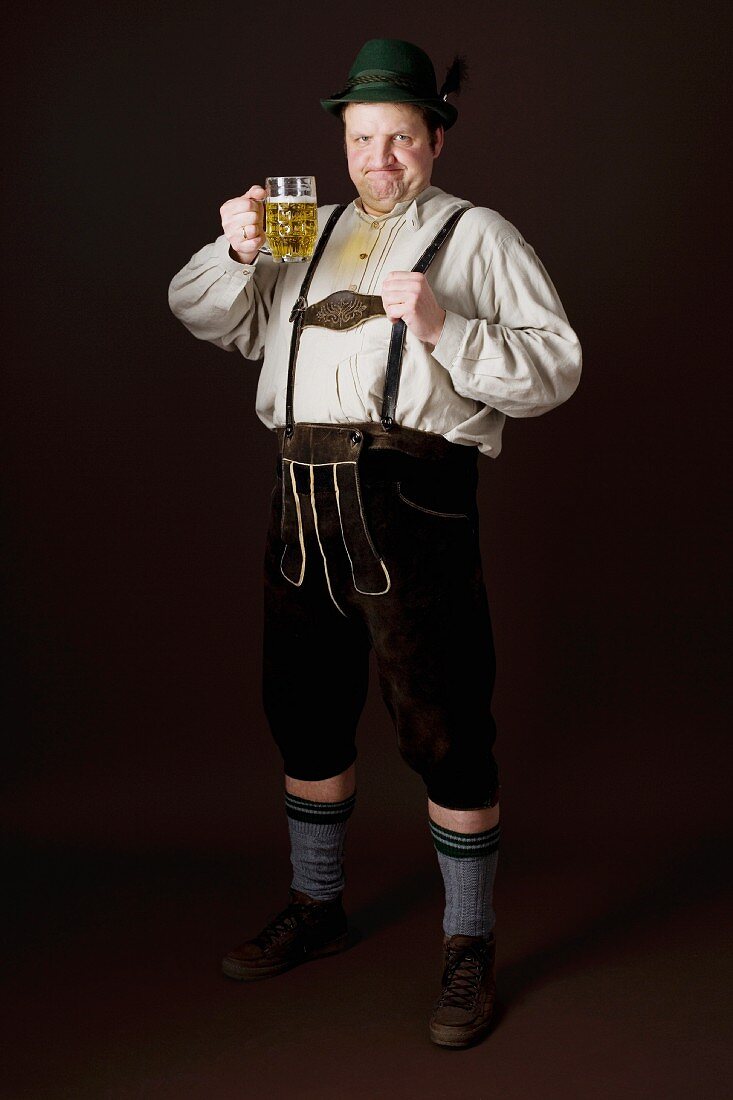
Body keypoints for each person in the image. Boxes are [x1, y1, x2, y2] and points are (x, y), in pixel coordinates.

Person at [168, 37, 582, 1049]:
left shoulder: (476, 236)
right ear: (342, 144)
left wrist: (444, 326)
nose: (380, 158)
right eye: (363, 139)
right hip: (299, 493)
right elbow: (198, 312)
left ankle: (468, 940)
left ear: (434, 140)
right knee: (303, 707)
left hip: (411, 496)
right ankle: (319, 906)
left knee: (442, 719)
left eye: (400, 137)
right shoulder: (300, 229)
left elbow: (555, 367)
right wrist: (234, 250)